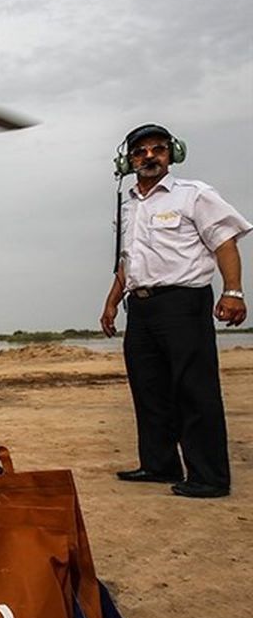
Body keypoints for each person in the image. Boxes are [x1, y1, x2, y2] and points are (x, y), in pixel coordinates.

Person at [100, 124, 249, 499]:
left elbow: (224, 243)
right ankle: (159, 464)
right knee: (148, 389)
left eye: (158, 149)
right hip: (141, 306)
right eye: (140, 151)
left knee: (194, 390)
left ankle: (210, 477)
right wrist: (112, 301)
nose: (149, 156)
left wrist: (233, 291)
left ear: (172, 153)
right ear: (128, 160)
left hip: (183, 303)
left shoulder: (194, 195)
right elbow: (127, 261)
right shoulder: (128, 206)